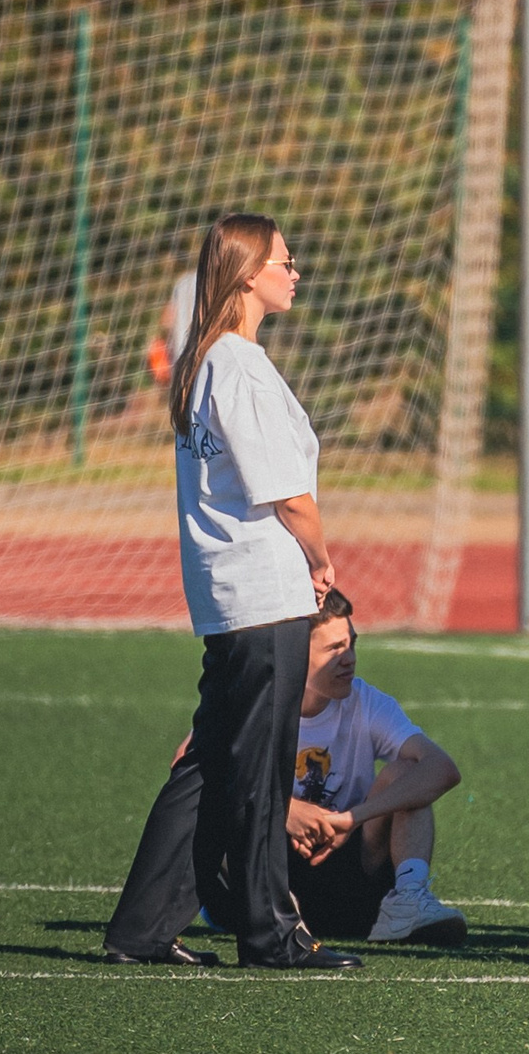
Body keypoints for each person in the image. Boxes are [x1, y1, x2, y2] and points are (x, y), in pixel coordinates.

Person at [103, 213, 356, 969]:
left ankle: (142, 929)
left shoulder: (210, 359)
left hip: (233, 589)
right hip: (262, 588)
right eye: (284, 259)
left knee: (214, 760)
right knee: (257, 767)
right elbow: (285, 490)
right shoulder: (237, 364)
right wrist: (319, 554)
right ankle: (270, 931)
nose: (295, 270)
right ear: (248, 273)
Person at [281, 588, 469, 945]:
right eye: (334, 649)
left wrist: (352, 820)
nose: (349, 658)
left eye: (351, 644)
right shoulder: (260, 701)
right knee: (213, 786)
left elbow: (441, 768)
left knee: (406, 774)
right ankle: (268, 906)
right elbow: (191, 767)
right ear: (293, 653)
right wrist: (286, 811)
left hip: (351, 876)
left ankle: (407, 901)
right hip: (272, 861)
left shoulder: (365, 702)